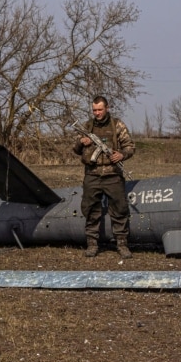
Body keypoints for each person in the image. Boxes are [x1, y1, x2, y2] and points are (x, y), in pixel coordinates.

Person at [73, 95, 135, 258]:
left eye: (100, 109)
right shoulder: (87, 126)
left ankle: (122, 244)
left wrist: (121, 155)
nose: (97, 113)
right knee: (90, 209)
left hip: (113, 175)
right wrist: (82, 142)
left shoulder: (117, 125)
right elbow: (75, 149)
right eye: (94, 110)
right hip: (92, 175)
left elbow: (130, 146)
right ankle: (92, 244)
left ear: (107, 108)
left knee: (119, 209)